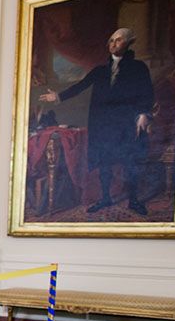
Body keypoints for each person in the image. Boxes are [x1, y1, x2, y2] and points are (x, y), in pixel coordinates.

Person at [39, 27, 154, 216]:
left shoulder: (138, 68)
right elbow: (80, 86)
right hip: (102, 124)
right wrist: (58, 96)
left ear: (128, 43)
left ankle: (133, 200)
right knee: (104, 162)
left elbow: (147, 91)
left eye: (119, 40)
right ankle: (105, 197)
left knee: (130, 162)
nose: (114, 43)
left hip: (126, 123)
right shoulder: (100, 70)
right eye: (111, 40)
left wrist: (143, 113)